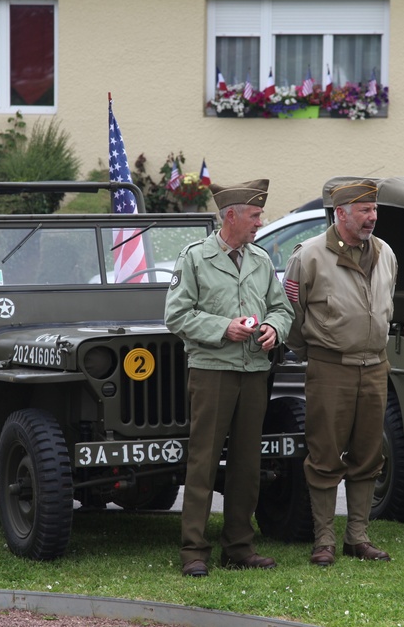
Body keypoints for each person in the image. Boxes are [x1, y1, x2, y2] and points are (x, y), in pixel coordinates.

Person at [164, 179, 294, 578]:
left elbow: (282, 308)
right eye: (255, 216)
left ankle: (239, 546)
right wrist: (224, 328)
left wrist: (274, 328)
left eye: (259, 216)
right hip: (212, 373)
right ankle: (194, 551)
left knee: (246, 463)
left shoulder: (259, 258)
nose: (260, 222)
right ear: (231, 216)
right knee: (203, 463)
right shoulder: (195, 258)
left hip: (254, 371)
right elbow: (176, 315)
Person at [283, 180, 397, 567]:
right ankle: (324, 541)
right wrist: (315, 352)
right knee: (325, 455)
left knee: (369, 454)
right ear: (341, 213)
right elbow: (292, 316)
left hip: (375, 366)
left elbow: (387, 306)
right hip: (330, 368)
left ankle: (358, 537)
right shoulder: (309, 256)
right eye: (364, 211)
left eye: (374, 209)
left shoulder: (386, 254)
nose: (373, 218)